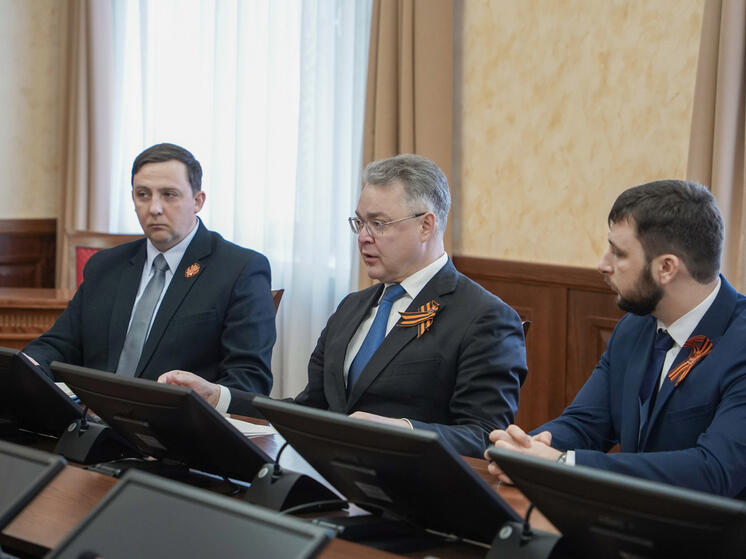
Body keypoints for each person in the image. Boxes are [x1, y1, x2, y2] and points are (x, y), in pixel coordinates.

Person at [161, 154, 527, 457]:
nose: (363, 237)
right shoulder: (352, 307)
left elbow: (485, 435)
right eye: (360, 223)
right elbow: (311, 409)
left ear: (426, 226)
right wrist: (220, 397)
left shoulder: (484, 317)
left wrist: (402, 430)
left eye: (379, 224)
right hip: (329, 475)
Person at [487, 179, 746, 498]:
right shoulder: (633, 328)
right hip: (628, 516)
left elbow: (714, 470)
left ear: (666, 267)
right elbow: (585, 423)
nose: (603, 265)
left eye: (619, 253)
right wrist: (525, 449)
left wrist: (563, 463)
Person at [24, 143, 276, 414]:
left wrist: (212, 395)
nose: (154, 208)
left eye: (169, 195)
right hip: (92, 420)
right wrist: (28, 364)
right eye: (143, 194)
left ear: (198, 201)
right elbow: (59, 344)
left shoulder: (239, 269)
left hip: (175, 428)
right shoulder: (105, 265)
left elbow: (250, 379)